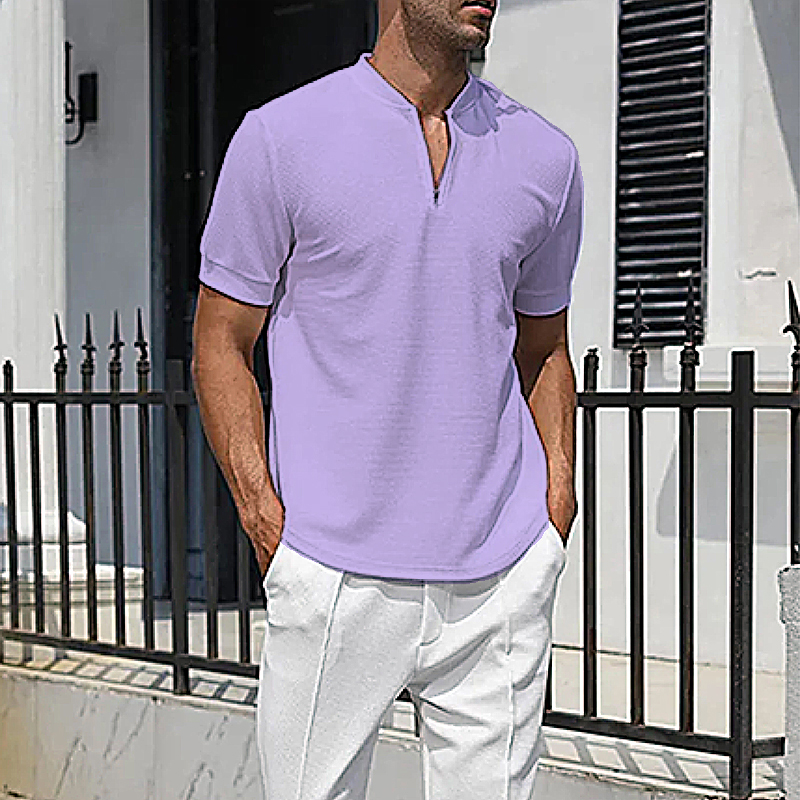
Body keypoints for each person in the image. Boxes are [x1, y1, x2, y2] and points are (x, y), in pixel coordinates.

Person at [191, 0, 584, 797]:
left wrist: (555, 504)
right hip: (333, 569)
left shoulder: (546, 157)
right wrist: (265, 517)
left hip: (501, 576)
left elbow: (543, 346)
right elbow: (221, 341)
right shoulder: (281, 139)